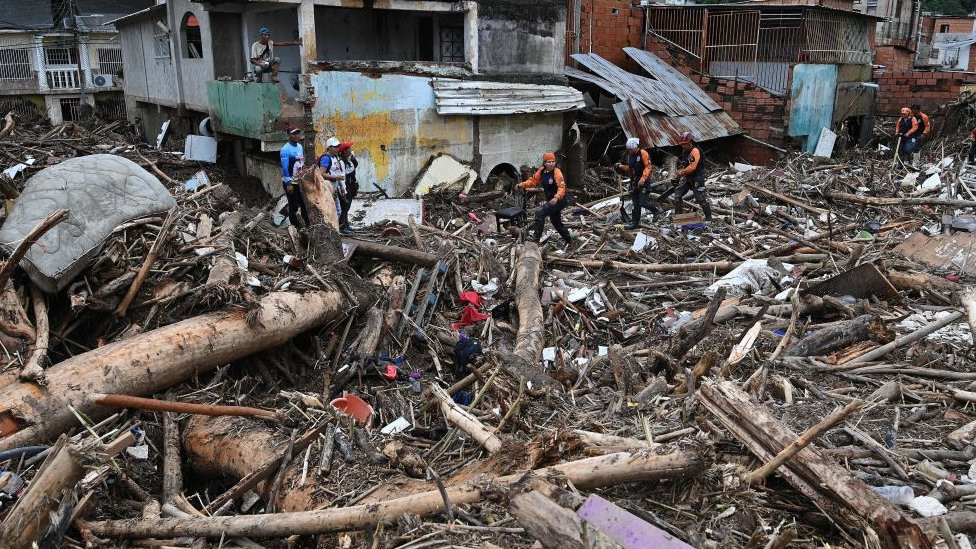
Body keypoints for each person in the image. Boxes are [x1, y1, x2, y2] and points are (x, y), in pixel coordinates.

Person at [516, 152, 573, 245]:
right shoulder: (542, 171)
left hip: (560, 200)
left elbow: (562, 188)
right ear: (545, 163)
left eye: (553, 161)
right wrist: (522, 185)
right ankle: (569, 240)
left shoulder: (557, 172)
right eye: (549, 162)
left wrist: (556, 197)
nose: (551, 164)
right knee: (556, 222)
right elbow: (533, 181)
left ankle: (536, 238)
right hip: (551, 200)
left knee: (539, 213)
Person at [616, 137, 658, 228]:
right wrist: (621, 167)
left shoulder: (643, 153)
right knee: (636, 205)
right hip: (634, 182)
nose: (630, 151)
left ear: (636, 147)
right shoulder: (629, 155)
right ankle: (635, 224)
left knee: (642, 202)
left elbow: (648, 167)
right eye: (629, 150)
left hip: (644, 181)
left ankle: (655, 211)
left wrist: (643, 179)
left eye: (631, 149)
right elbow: (629, 168)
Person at [673, 132, 712, 221]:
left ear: (690, 142)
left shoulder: (695, 151)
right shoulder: (685, 151)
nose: (683, 146)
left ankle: (709, 218)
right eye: (682, 144)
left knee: (700, 198)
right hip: (688, 178)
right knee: (678, 194)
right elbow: (684, 163)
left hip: (698, 177)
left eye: (685, 144)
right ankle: (678, 217)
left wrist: (681, 173)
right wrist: (679, 173)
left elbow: (692, 167)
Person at [280, 128, 309, 228]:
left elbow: (301, 162)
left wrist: (304, 170)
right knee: (294, 206)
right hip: (291, 183)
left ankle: (307, 225)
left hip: (300, 182)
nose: (297, 135)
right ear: (289, 135)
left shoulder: (300, 146)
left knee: (304, 204)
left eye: (298, 133)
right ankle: (295, 227)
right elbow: (285, 168)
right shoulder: (285, 149)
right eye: (294, 134)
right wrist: (288, 184)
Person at [317, 137, 346, 223]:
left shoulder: (335, 157)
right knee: (332, 210)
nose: (338, 148)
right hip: (328, 187)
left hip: (335, 187)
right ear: (329, 147)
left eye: (338, 146)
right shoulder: (326, 158)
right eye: (335, 147)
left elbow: (337, 172)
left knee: (337, 210)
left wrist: (341, 186)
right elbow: (321, 173)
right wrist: (336, 178)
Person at [337, 141, 358, 234]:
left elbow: (355, 165)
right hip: (344, 186)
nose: (351, 150)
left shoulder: (349, 159)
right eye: (349, 148)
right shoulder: (342, 161)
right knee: (344, 206)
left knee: (347, 206)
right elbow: (346, 173)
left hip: (350, 185)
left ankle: (346, 224)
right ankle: (342, 226)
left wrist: (353, 158)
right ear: (344, 151)